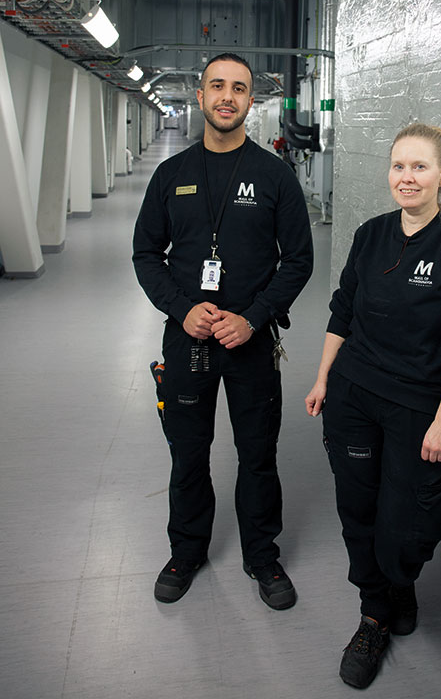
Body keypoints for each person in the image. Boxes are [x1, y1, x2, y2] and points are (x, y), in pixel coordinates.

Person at [305, 123, 441, 689]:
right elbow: (343, 310)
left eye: (419, 167)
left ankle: (399, 581)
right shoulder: (370, 235)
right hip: (354, 395)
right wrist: (323, 378)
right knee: (358, 508)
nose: (406, 177)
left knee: (409, 523)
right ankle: (374, 613)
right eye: (398, 166)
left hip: (419, 408)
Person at [133, 53, 313, 611]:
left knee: (258, 454)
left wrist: (254, 317)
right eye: (217, 86)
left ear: (250, 101)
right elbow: (146, 255)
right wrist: (181, 309)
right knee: (188, 453)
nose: (227, 97)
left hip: (250, 341)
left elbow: (298, 260)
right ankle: (186, 551)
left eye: (238, 88)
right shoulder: (171, 175)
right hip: (187, 339)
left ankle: (262, 555)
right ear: (201, 95)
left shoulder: (274, 175)